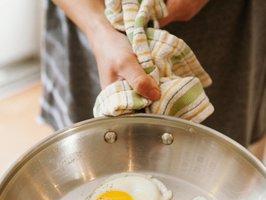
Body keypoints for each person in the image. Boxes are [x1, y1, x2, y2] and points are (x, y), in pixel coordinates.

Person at [41, 0, 265, 148]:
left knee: (224, 155)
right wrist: (97, 28)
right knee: (88, 149)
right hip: (85, 16)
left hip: (224, 30)